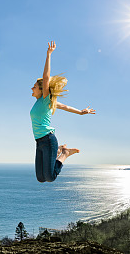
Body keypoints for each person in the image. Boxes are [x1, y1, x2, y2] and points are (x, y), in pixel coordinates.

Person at [31, 40, 96, 183]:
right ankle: (59, 149)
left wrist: (48, 54)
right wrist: (79, 112)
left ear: (42, 90)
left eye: (34, 86)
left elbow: (46, 77)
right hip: (39, 142)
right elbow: (65, 107)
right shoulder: (42, 103)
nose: (32, 88)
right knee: (41, 178)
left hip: (48, 140)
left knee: (51, 177)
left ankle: (64, 153)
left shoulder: (45, 99)